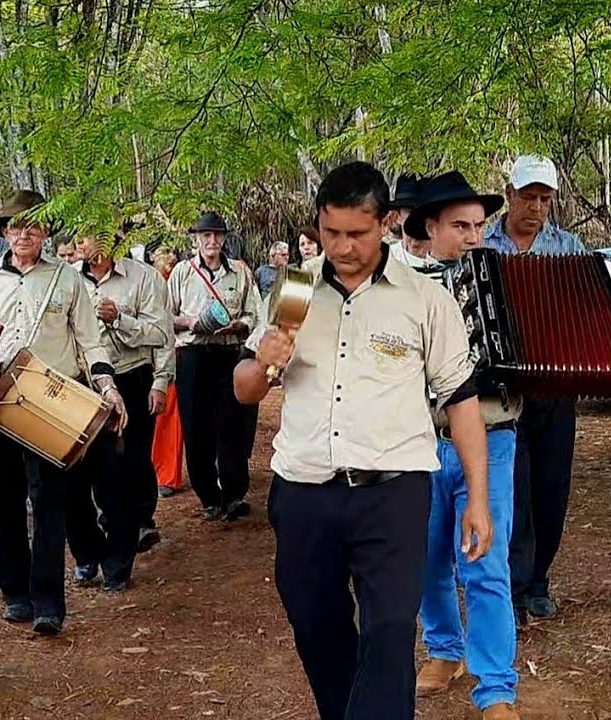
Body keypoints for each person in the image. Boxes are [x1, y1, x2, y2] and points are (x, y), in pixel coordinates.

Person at [233, 161, 492, 720]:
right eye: (331, 233)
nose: (344, 246)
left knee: (393, 628)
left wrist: (477, 497)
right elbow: (245, 390)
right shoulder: (295, 289)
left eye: (357, 233)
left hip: (393, 493)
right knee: (315, 621)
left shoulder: (423, 299)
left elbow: (462, 400)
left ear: (387, 224)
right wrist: (262, 362)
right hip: (305, 490)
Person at [0, 190, 127, 635]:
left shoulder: (67, 280)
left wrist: (107, 385)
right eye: (16, 227)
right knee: (3, 503)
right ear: (3, 232)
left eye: (33, 226)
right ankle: (15, 593)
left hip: (51, 402)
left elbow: (90, 341)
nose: (24, 234)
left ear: (45, 233)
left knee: (50, 500)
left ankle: (48, 603)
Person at [404, 170, 520, 720]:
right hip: (419, 441)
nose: (475, 236)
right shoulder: (402, 285)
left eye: (480, 225)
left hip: (493, 436)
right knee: (426, 556)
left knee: (485, 561)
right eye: (461, 226)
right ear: (431, 227)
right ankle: (444, 650)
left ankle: (496, 687)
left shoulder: (509, 277)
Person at [483, 154, 585, 626]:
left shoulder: (570, 247)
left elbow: (599, 306)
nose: (538, 207)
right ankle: (513, 585)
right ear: (509, 193)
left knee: (550, 487)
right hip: (500, 388)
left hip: (556, 388)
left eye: (546, 199)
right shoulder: (482, 246)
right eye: (529, 196)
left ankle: (539, 579)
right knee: (510, 489)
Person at [66, 232, 174, 586]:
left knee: (121, 475)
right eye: (82, 235)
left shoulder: (143, 277)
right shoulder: (64, 277)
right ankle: (87, 552)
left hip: (128, 380)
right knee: (74, 477)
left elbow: (161, 334)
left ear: (115, 240)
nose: (87, 243)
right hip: (77, 385)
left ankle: (118, 563)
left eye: (95, 234)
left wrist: (119, 319)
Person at [166, 211, 259, 522]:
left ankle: (234, 494)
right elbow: (166, 316)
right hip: (192, 357)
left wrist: (237, 326)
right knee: (196, 427)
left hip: (228, 354)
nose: (212, 241)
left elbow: (253, 314)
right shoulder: (182, 273)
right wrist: (192, 322)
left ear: (224, 238)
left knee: (231, 424)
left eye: (217, 235)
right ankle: (208, 496)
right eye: (206, 235)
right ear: (196, 239)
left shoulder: (240, 273)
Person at [147, 245, 187, 498]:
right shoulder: (146, 279)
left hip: (171, 353)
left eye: (170, 253)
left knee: (169, 416)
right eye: (162, 254)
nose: (167, 258)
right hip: (141, 355)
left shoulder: (178, 278)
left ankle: (167, 475)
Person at [387, 174, 441, 271]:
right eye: (411, 212)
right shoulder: (385, 260)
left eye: (426, 212)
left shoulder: (450, 258)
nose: (419, 218)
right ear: (397, 217)